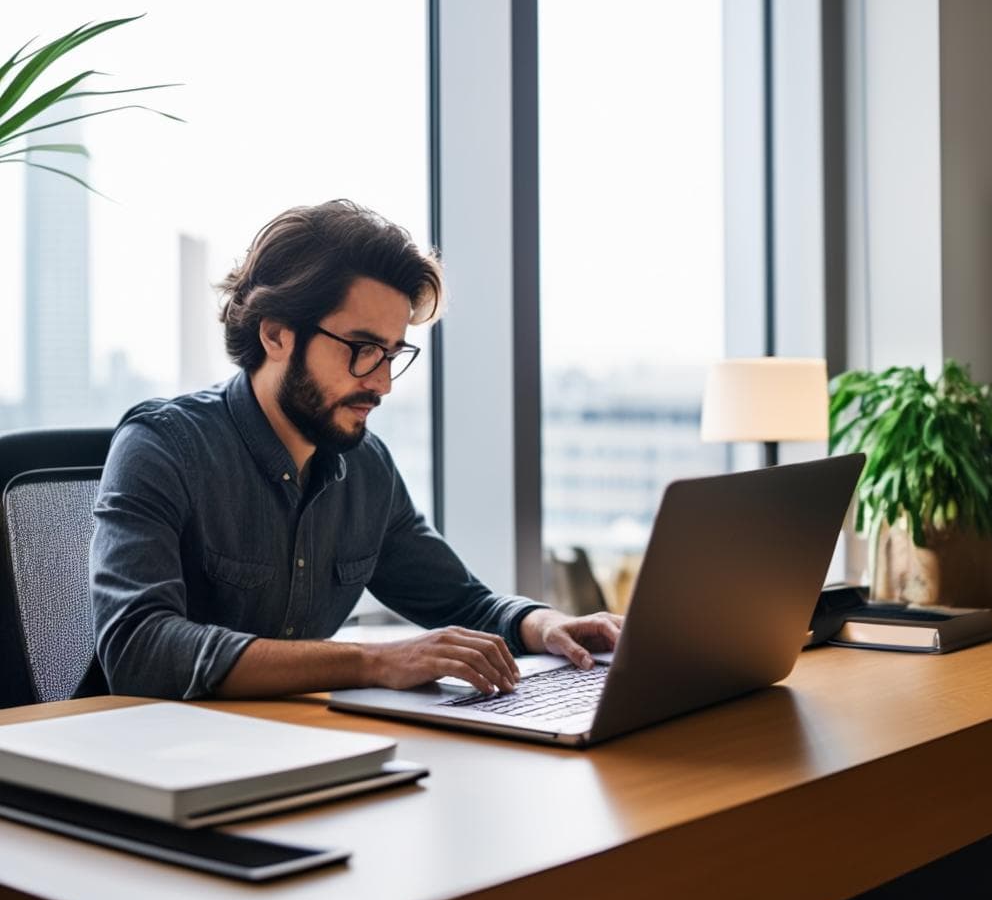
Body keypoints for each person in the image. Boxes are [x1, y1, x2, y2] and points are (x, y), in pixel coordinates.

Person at [90, 199, 622, 700]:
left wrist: (546, 625)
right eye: (363, 350)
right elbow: (139, 649)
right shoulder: (163, 447)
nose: (383, 383)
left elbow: (461, 603)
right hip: (151, 761)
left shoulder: (366, 468)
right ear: (276, 335)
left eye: (393, 354)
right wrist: (373, 662)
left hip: (293, 749)